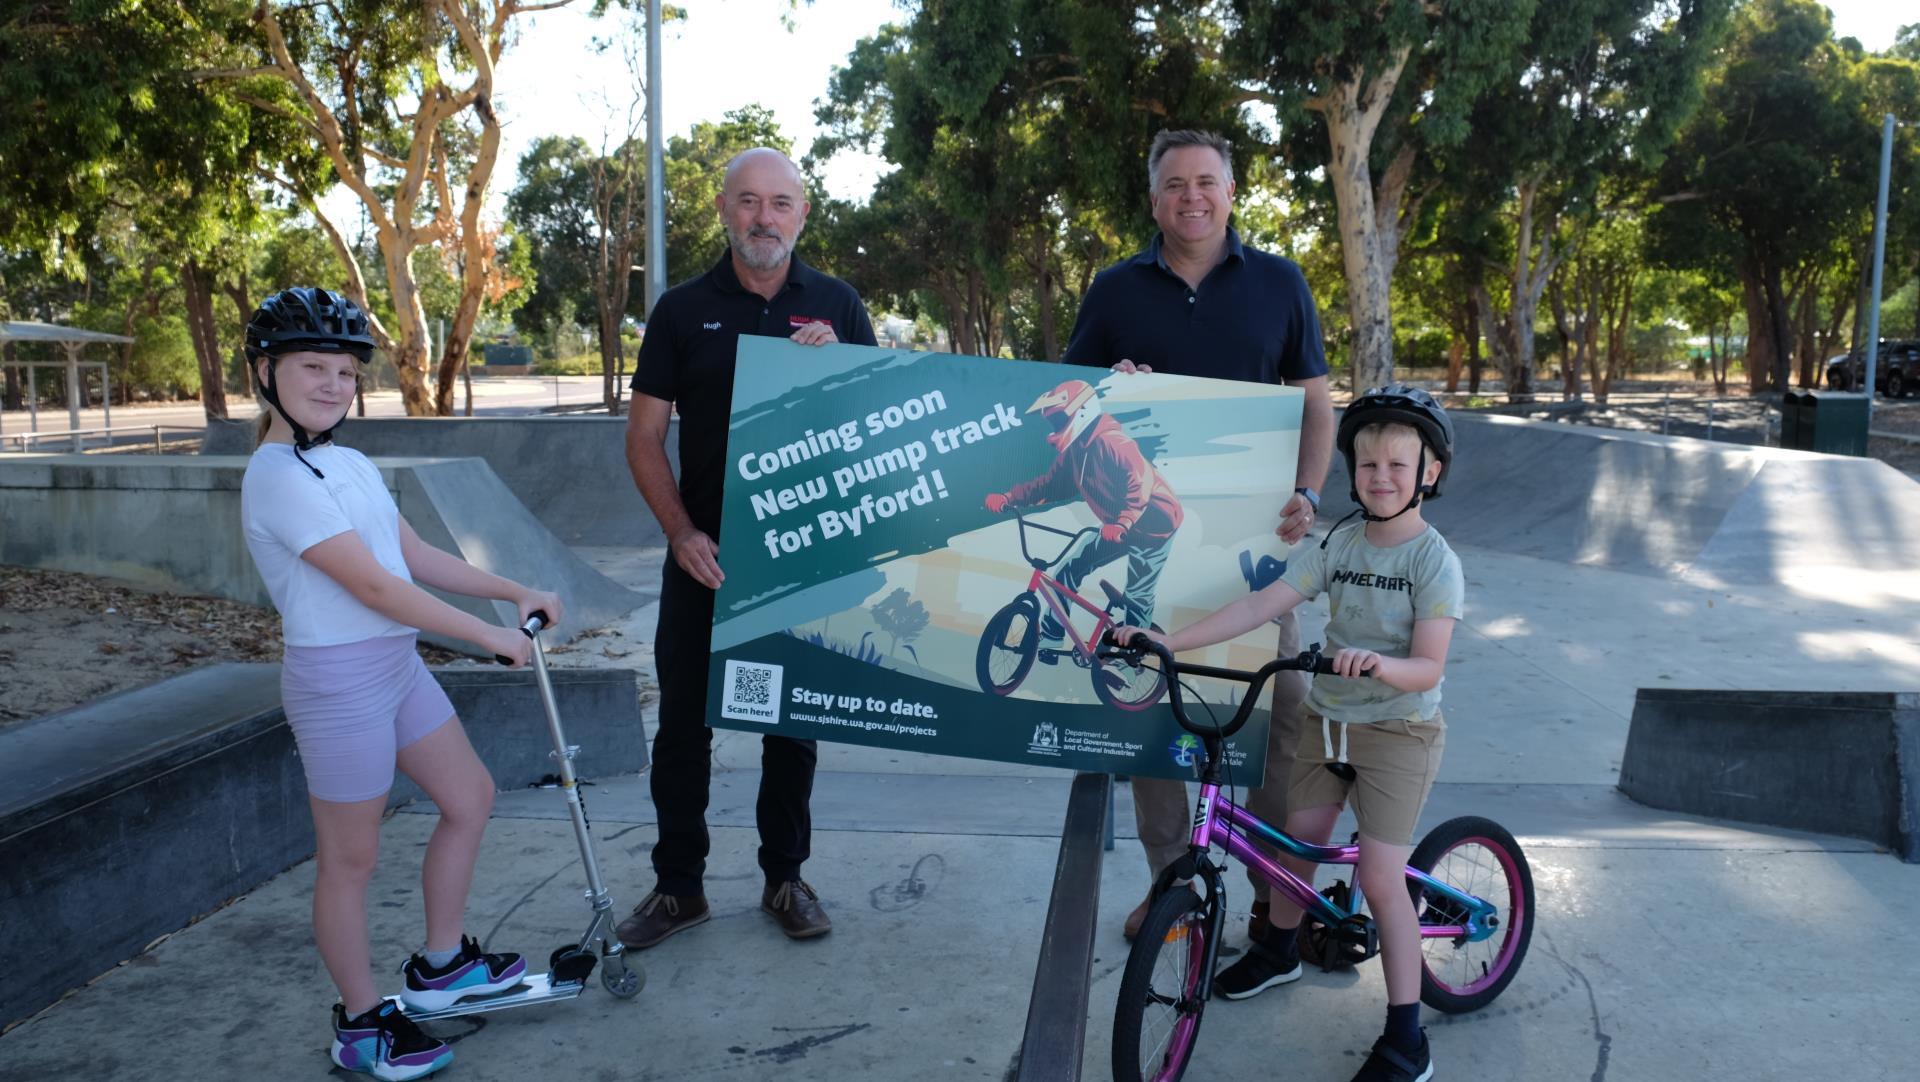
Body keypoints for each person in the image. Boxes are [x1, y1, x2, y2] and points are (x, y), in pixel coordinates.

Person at [239, 286, 563, 1081]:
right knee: (350, 859)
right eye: (313, 367)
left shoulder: (345, 461)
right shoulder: (274, 476)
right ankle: (358, 1023)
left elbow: (408, 556)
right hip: (337, 682)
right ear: (265, 371)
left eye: (346, 373)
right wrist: (487, 636)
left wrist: (511, 590)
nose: (332, 386)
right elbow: (374, 589)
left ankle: (442, 966)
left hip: (394, 666)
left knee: (470, 797)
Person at [1118, 385, 1462, 1082]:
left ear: (1430, 472)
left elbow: (1428, 667)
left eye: (1399, 465)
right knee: (1293, 846)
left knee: (1378, 876)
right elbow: (1263, 602)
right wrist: (1169, 641)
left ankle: (1406, 1039)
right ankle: (1278, 950)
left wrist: (1381, 665)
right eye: (1367, 466)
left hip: (1397, 732)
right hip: (1329, 724)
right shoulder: (1339, 541)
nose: (1382, 478)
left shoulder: (1433, 561)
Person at [1062, 128, 1335, 953]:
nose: (1192, 196)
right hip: (1151, 531)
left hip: (1247, 551)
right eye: (1174, 183)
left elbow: (1317, 402)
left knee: (1278, 718)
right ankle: (1170, 888)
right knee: (1153, 713)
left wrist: (1308, 490)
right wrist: (1113, 389)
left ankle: (1272, 897)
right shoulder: (1114, 290)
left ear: (1229, 191)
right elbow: (1071, 397)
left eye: (1206, 181)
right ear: (1154, 199)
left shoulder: (1281, 283)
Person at [620, 147, 877, 950]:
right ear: (725, 209)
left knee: (790, 728)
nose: (764, 217)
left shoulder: (839, 305)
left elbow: (877, 428)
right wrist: (682, 533)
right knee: (684, 731)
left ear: (803, 213)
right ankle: (677, 889)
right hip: (704, 558)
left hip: (797, 560)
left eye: (780, 203)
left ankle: (784, 878)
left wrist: (837, 371)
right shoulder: (680, 309)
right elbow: (643, 440)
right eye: (748, 202)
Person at [983, 378, 1184, 645]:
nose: (1055, 428)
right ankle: (1051, 637)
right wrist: (1010, 497)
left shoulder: (1113, 442)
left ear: (1082, 411)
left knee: (1137, 595)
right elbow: (1051, 485)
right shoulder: (1076, 450)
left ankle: (1127, 661)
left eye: (1059, 420)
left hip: (1154, 527)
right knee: (1070, 569)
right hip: (1119, 526)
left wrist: (1124, 522)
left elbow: (1140, 481)